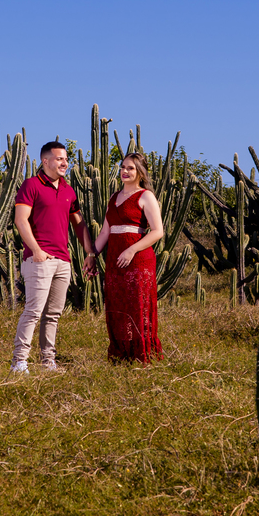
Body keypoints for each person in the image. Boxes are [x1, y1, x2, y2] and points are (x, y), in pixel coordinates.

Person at [10, 141, 94, 374]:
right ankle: (19, 362)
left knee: (53, 314)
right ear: (45, 161)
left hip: (63, 261)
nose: (64, 162)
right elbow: (20, 219)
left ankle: (48, 362)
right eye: (59, 159)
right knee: (33, 311)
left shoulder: (68, 190)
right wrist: (36, 250)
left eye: (66, 159)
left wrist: (90, 253)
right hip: (39, 260)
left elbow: (79, 223)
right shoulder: (31, 185)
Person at [91, 152, 166, 364]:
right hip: (115, 259)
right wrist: (91, 255)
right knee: (117, 306)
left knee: (137, 306)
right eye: (123, 167)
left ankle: (141, 354)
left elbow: (157, 231)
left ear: (140, 172)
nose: (125, 171)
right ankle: (121, 354)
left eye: (130, 168)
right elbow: (106, 232)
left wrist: (132, 250)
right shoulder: (114, 198)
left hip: (138, 259)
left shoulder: (146, 196)